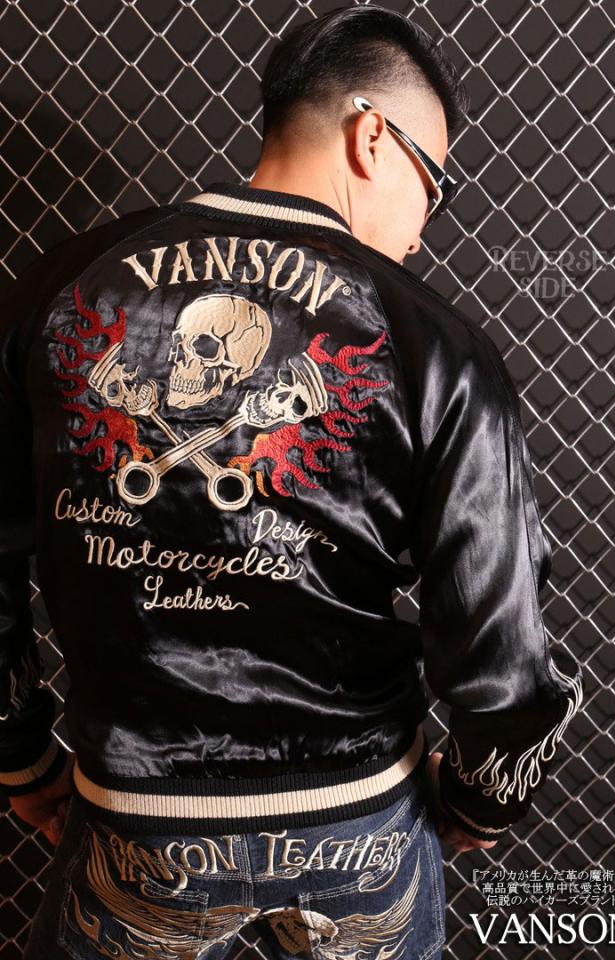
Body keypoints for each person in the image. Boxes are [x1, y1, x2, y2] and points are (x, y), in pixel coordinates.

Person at [0, 6, 583, 959]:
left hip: (134, 820)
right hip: (360, 827)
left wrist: (20, 757)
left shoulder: (60, 291)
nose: (421, 236)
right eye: (433, 188)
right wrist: (482, 798)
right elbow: (503, 648)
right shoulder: (436, 343)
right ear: (371, 136)